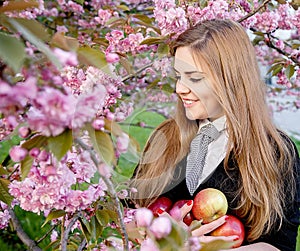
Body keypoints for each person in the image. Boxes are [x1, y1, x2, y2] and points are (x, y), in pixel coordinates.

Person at [130, 19, 300, 250]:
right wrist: (155, 233)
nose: (180, 88)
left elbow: (280, 244)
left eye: (195, 78)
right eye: (179, 75)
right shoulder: (165, 138)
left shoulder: (276, 152)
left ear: (231, 79)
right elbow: (128, 212)